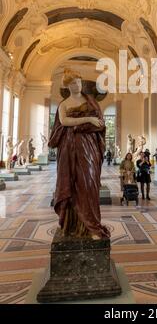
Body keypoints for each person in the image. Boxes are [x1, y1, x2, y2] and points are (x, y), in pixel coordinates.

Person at [48, 68, 110, 239]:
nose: (77, 85)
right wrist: (88, 119)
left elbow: (100, 121)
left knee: (89, 183)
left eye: (79, 82)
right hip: (70, 146)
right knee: (72, 183)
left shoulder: (89, 100)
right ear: (67, 86)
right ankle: (75, 225)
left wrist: (92, 122)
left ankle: (91, 225)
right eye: (74, 83)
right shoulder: (64, 104)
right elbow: (64, 121)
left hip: (89, 145)